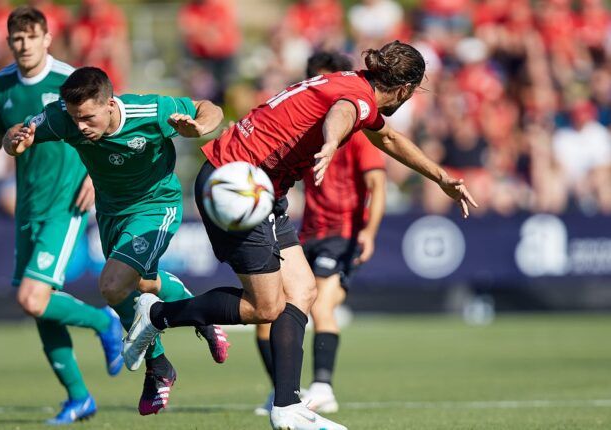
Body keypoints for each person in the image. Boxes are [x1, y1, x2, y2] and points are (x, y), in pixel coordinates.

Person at [123, 40, 478, 430]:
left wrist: (442, 177)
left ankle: (287, 407)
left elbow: (388, 139)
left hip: (257, 187)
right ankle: (157, 314)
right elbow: (342, 114)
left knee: (303, 292)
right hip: (237, 184)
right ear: (406, 89)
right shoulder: (356, 99)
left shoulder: (351, 83)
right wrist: (329, 142)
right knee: (265, 307)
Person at [2, 66, 227, 416]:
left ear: (110, 104)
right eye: (75, 118)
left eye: (88, 117)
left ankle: (158, 368)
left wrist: (199, 127)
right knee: (140, 283)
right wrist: (17, 142)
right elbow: (15, 137)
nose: (80, 126)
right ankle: (198, 314)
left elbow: (209, 107)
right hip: (110, 213)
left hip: (155, 207)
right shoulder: (62, 117)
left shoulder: (149, 111)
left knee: (111, 286)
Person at [0, 7, 123, 425]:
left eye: (30, 36)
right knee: (36, 305)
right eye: (16, 39)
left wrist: (97, 177)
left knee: (31, 297)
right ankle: (79, 397)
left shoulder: (69, 81)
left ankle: (103, 322)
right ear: (10, 43)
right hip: (28, 207)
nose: (23, 45)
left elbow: (108, 125)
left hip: (65, 204)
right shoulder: (3, 84)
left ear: (47, 38)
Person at [253, 51, 387, 416]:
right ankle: (283, 392)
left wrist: (370, 232)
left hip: (342, 231)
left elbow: (377, 183)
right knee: (267, 317)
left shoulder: (357, 131)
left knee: (323, 305)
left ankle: (324, 387)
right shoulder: (305, 125)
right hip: (304, 232)